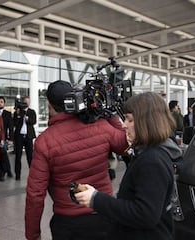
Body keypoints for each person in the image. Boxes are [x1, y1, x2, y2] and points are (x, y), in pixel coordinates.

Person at [25, 80, 128, 240]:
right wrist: (110, 114)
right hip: (103, 213)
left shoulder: (44, 141)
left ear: (50, 105)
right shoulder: (101, 126)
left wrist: (33, 235)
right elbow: (125, 146)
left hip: (68, 222)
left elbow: (35, 194)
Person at [75, 92, 182, 240]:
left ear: (147, 122)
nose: (124, 125)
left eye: (130, 120)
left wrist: (96, 199)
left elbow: (145, 214)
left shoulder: (152, 160)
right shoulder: (151, 153)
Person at [13, 96, 36, 180]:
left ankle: (32, 174)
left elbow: (34, 121)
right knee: (18, 156)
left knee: (30, 156)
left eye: (28, 102)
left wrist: (27, 119)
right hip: (19, 136)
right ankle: (17, 175)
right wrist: (18, 115)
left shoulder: (32, 112)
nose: (26, 103)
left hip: (28, 136)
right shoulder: (18, 112)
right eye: (25, 101)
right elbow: (14, 123)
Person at [0, 96, 14, 180]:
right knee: (0, 155)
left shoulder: (7, 114)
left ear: (4, 103)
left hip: (4, 138)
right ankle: (8, 170)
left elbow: (10, 127)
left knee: (3, 154)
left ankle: (2, 173)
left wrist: (11, 139)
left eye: (1, 102)